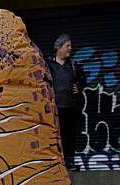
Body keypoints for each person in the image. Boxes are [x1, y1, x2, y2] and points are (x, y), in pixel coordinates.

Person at [48, 33, 84, 169]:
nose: (70, 48)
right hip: (55, 109)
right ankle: (56, 163)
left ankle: (69, 162)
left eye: (70, 46)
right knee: (55, 136)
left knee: (69, 136)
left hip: (70, 107)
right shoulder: (49, 66)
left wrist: (79, 89)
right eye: (67, 46)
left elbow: (82, 83)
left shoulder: (74, 66)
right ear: (59, 47)